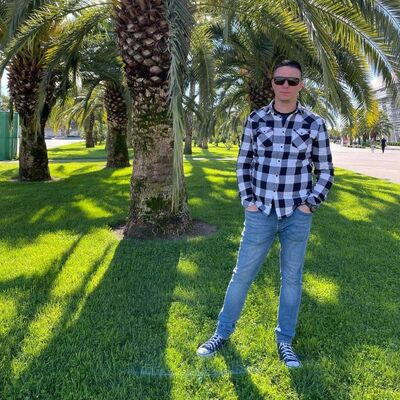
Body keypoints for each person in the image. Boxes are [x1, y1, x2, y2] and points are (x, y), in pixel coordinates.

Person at [196, 60, 334, 368]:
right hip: (261, 213)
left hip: (297, 215)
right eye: (280, 80)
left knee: (292, 280)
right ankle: (222, 333)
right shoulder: (255, 119)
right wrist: (249, 201)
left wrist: (309, 204)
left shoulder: (314, 123)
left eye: (292, 81)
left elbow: (325, 171)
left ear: (301, 85)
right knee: (242, 275)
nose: (285, 85)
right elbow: (243, 164)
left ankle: (285, 341)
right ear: (272, 83)